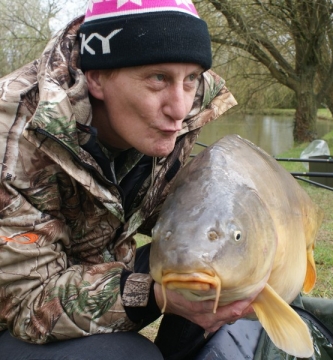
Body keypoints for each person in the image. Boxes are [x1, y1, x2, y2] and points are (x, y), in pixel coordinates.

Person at [0, 1, 255, 359]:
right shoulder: (11, 133)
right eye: (158, 78)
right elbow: (28, 304)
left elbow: (166, 209)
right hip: (17, 312)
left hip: (97, 265)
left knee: (236, 265)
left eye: (191, 78)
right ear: (97, 77)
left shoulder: (174, 110)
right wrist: (155, 295)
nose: (180, 109)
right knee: (127, 356)